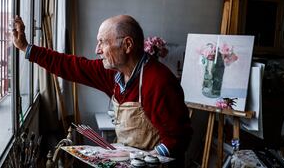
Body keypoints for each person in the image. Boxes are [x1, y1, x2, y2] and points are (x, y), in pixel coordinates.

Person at [12, 14, 192, 166]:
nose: (97, 50)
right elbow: (70, 65)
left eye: (102, 42)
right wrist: (27, 48)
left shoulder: (159, 81)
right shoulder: (112, 73)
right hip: (128, 159)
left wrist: (146, 160)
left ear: (127, 45)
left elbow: (179, 137)